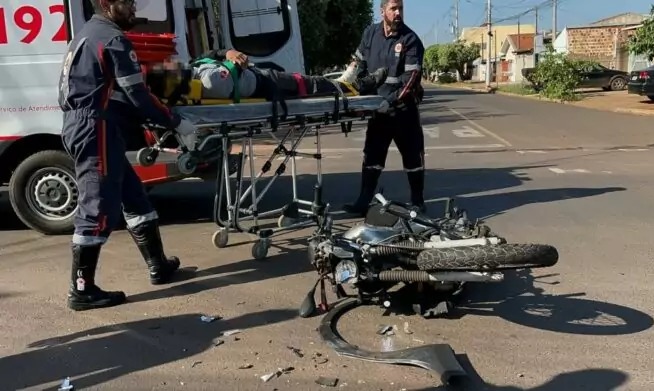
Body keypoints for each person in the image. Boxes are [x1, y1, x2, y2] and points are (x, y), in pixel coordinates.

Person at [58, 0, 197, 311]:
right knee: (98, 207)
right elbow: (137, 94)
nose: (134, 8)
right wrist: (175, 121)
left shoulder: (85, 34)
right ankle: (82, 289)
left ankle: (158, 264)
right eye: (128, 3)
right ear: (108, 4)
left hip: (90, 123)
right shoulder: (112, 39)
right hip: (95, 127)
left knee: (133, 195)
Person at [342, 0, 426, 216]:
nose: (398, 13)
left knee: (412, 157)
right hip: (377, 112)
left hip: (403, 112)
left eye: (401, 8)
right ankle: (363, 201)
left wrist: (390, 102)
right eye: (393, 9)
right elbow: (357, 61)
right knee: (372, 156)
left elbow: (411, 80)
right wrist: (345, 80)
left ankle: (417, 201)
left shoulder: (410, 40)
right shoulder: (370, 33)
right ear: (382, 12)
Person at [146, 48, 389, 102]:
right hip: (265, 84)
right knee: (311, 85)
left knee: (312, 82)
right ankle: (360, 85)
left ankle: (343, 83)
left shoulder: (195, 68)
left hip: (259, 75)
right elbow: (234, 68)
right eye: (167, 68)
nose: (171, 63)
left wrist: (226, 51)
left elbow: (214, 54)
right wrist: (232, 59)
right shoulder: (210, 81)